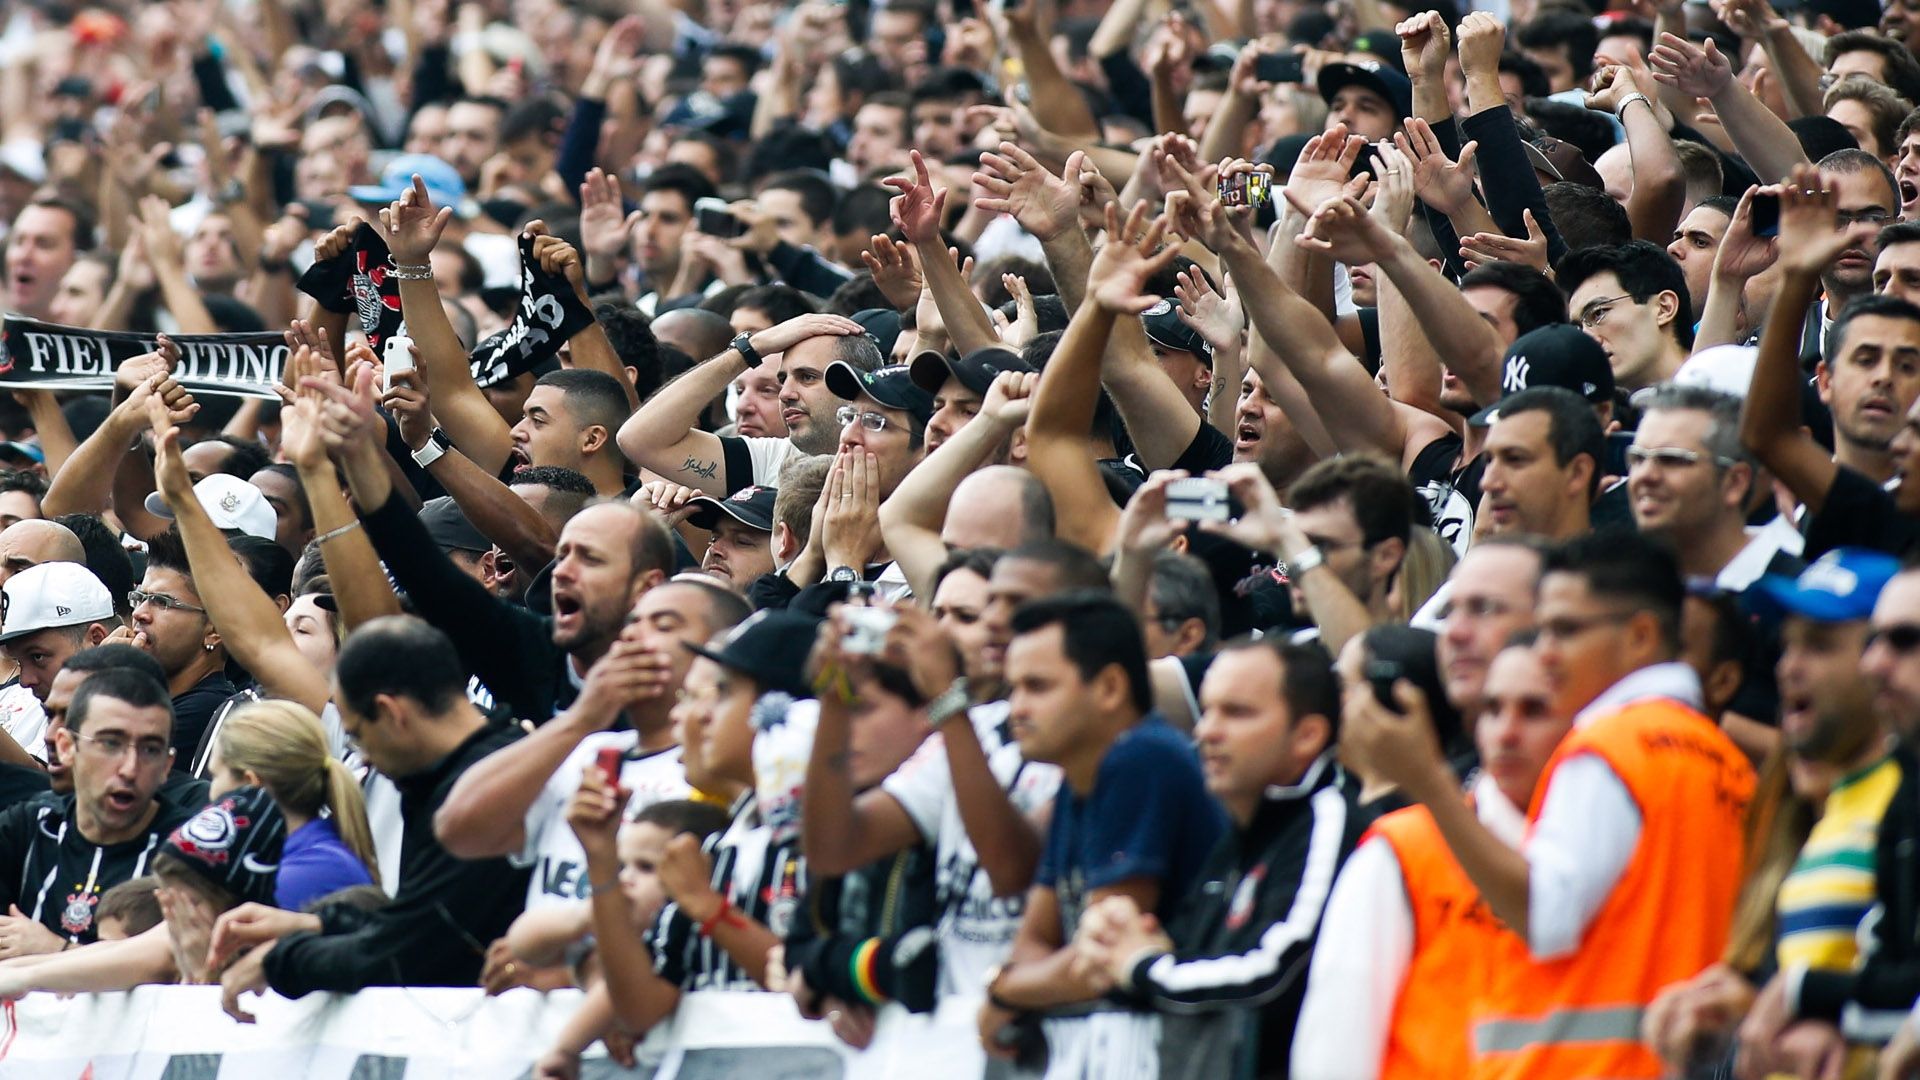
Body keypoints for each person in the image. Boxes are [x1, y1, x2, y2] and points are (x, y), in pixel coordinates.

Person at [1347, 530, 1755, 1078]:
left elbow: (1543, 916)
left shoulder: (1607, 749)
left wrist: (1427, 781)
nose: (1544, 652)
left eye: (1564, 630)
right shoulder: (1726, 759)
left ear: (1640, 636)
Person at [1078, 638, 1359, 1078]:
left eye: (1237, 712)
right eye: (1207, 710)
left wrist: (1141, 967)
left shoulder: (1330, 817)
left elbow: (1272, 971)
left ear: (1308, 735)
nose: (1206, 731)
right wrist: (1114, 943)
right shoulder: (1240, 833)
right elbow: (1189, 954)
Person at [1295, 639, 1573, 1080]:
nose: (1507, 733)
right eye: (1492, 710)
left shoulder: (1620, 854)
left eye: (1535, 710)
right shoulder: (1407, 849)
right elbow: (1335, 1050)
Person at [219, 618, 530, 1010]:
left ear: (391, 713)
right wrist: (318, 924)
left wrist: (280, 960)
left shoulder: (485, 791)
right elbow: (419, 916)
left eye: (358, 736)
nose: (363, 758)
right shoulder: (467, 770)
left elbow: (408, 953)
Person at [981, 593, 1226, 1076]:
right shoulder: (1082, 775)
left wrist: (1004, 988)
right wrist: (1016, 980)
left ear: (1111, 687)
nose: (1017, 708)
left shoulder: (1142, 760)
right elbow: (1036, 937)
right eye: (1013, 689)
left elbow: (1097, 962)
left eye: (1038, 687)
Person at [0, 667, 193, 951]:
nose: (130, 769)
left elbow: (176, 968)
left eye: (151, 749)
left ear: (167, 766)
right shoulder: (28, 826)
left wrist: (58, 950)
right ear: (66, 747)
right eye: (110, 744)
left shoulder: (191, 851)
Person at [127, 530, 237, 768]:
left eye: (161, 602)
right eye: (140, 597)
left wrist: (114, 681)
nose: (139, 613)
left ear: (214, 629)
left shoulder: (205, 711)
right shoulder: (162, 699)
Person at [0, 560, 117, 759]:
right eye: (19, 662)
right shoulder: (24, 696)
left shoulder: (129, 706)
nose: (25, 680)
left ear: (96, 639)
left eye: (37, 657)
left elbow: (42, 781)